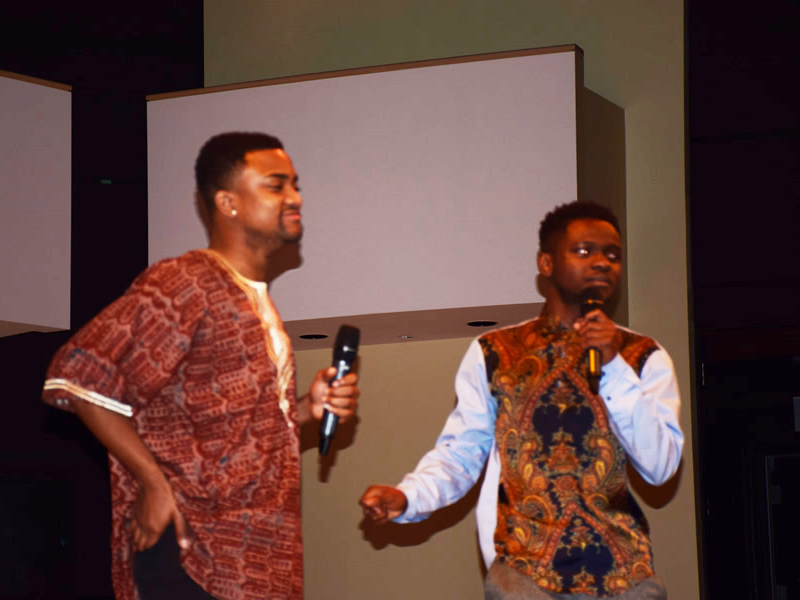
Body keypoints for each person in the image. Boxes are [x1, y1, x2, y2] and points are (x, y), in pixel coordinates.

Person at [43, 132, 359, 600]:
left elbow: (238, 433)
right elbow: (79, 374)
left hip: (256, 562)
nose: (295, 197)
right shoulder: (186, 282)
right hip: (194, 554)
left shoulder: (257, 302)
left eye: (295, 185)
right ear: (228, 203)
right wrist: (154, 484)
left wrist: (307, 410)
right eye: (276, 186)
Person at [360, 201, 683, 599]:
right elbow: (461, 454)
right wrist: (409, 497)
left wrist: (614, 366)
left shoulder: (645, 357)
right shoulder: (495, 352)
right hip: (524, 577)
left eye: (613, 255)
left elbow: (661, 467)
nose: (602, 263)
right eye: (584, 251)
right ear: (546, 263)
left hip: (625, 578)